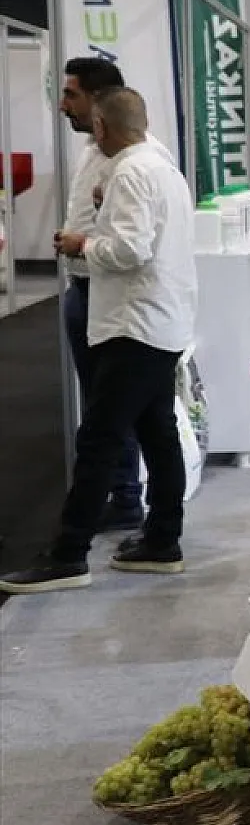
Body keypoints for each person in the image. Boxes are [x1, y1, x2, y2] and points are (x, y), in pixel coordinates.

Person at [0, 89, 197, 594]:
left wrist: (81, 242)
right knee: (156, 432)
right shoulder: (163, 169)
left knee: (99, 440)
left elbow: (131, 248)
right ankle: (161, 540)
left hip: (134, 324)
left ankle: (69, 555)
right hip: (160, 321)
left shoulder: (131, 172)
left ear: (104, 128)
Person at [55, 58, 147, 533]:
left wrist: (81, 245)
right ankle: (123, 497)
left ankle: (123, 500)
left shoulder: (131, 162)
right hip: (84, 286)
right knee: (101, 402)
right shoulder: (95, 152)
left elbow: (133, 245)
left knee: (110, 409)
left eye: (71, 94)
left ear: (98, 101)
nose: (63, 104)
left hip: (107, 290)